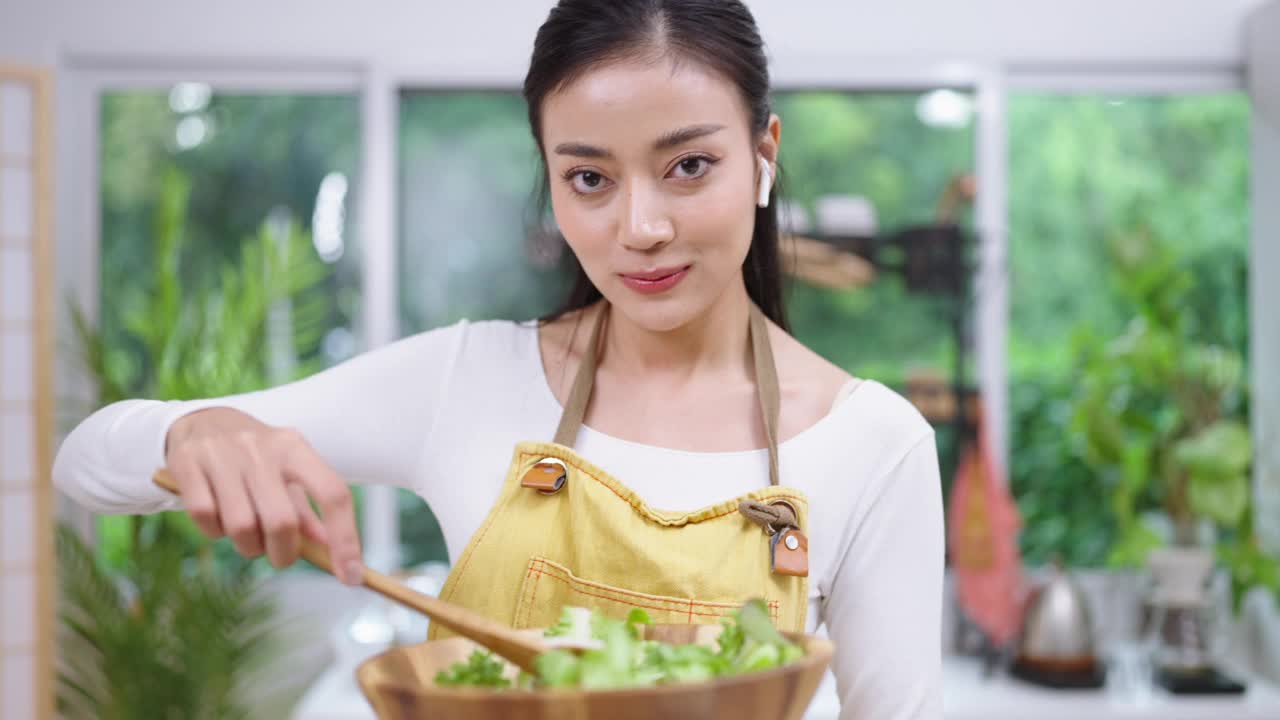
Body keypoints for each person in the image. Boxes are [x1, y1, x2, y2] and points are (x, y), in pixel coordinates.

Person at [54, 1, 943, 716]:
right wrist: (198, 433)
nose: (641, 228)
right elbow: (87, 458)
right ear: (552, 183)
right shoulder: (465, 382)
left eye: (689, 166)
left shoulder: (871, 441)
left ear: (762, 156)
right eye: (590, 178)